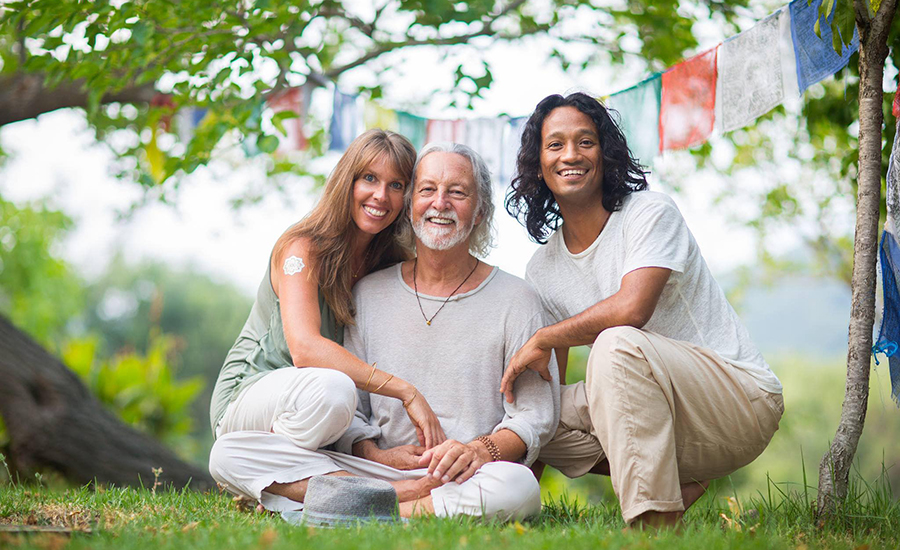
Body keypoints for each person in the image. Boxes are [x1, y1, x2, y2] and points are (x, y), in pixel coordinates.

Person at [210, 142, 559, 521]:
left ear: (479, 213)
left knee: (518, 486)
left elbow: (533, 415)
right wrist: (371, 453)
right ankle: (391, 505)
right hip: (374, 468)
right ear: (411, 207)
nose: (440, 202)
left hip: (463, 472)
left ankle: (352, 509)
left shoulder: (517, 299)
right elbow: (350, 400)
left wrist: (479, 450)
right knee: (227, 453)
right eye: (427, 190)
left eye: (457, 192)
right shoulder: (365, 288)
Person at [501, 92, 784, 528]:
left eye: (585, 142)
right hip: (655, 413)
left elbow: (631, 308)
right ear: (538, 164)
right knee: (533, 411)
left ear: (606, 153)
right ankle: (674, 482)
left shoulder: (649, 212)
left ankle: (654, 525)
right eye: (555, 145)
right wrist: (519, 498)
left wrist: (543, 336)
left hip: (738, 401)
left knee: (615, 345)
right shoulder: (543, 269)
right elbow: (546, 392)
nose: (570, 154)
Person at [208, 130, 446, 511]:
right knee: (332, 390)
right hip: (248, 398)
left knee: (332, 399)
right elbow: (305, 349)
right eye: (368, 178)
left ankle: (311, 488)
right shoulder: (302, 247)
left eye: (396, 184)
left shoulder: (390, 266)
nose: (380, 196)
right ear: (346, 181)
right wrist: (406, 391)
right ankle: (378, 491)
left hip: (326, 423)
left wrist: (376, 452)